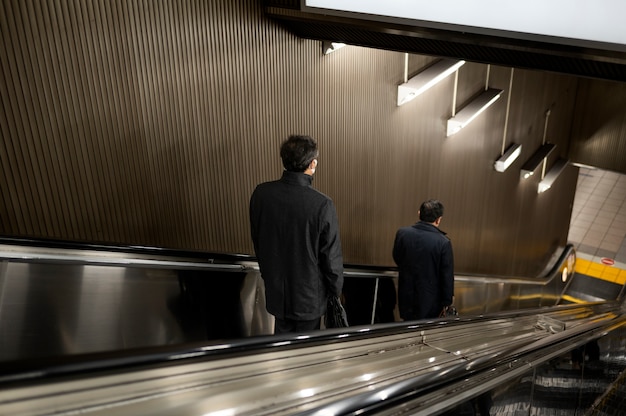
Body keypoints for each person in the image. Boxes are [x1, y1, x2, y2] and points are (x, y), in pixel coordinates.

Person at [250, 135, 344, 334]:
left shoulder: (262, 194)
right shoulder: (321, 204)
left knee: (281, 345)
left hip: (277, 293)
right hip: (310, 298)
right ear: (313, 163)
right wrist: (335, 291)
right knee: (306, 353)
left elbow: (258, 241)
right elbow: (331, 257)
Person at [392, 199, 454, 320]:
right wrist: (447, 301)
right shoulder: (443, 242)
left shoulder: (403, 234)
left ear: (419, 213)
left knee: (407, 327)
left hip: (406, 295)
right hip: (431, 302)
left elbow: (397, 257)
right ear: (438, 219)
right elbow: (446, 276)